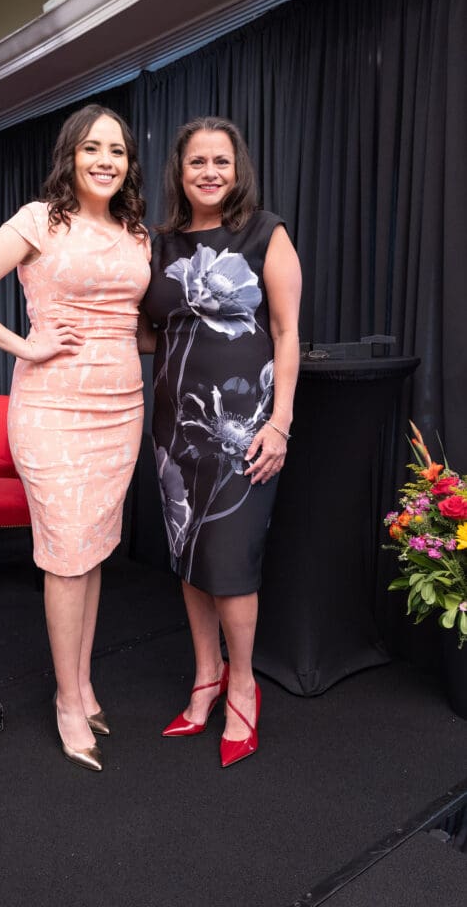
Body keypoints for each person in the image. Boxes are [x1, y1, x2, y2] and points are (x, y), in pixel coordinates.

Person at [0, 104, 151, 772]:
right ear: (71, 155)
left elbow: (137, 326)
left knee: (90, 550)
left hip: (121, 404)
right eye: (92, 148)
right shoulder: (39, 220)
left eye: (116, 149)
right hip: (53, 406)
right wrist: (24, 344)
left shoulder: (136, 233)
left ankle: (84, 684)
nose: (106, 160)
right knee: (63, 551)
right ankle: (65, 699)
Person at [139, 117, 301, 767]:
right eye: (196, 162)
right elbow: (153, 333)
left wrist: (280, 421)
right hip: (175, 424)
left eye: (220, 162)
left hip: (245, 422)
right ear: (179, 172)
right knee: (189, 554)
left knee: (230, 564)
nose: (209, 172)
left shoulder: (266, 232)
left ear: (237, 169)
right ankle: (204, 676)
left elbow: (286, 333)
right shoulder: (160, 244)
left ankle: (242, 685)